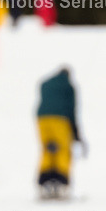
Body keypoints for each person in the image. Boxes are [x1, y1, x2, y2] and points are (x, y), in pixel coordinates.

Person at [36, 67, 85, 200]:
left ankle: (44, 182)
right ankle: (61, 182)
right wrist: (76, 133)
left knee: (48, 149)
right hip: (60, 120)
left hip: (42, 120)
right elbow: (72, 109)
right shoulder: (69, 86)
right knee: (63, 150)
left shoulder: (45, 83)